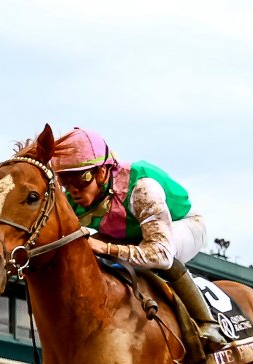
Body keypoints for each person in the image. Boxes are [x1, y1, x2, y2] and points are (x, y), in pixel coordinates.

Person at [50, 127, 226, 346]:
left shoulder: (142, 189)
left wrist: (105, 248)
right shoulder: (73, 199)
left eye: (81, 178)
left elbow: (160, 254)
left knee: (164, 262)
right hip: (131, 233)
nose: (73, 189)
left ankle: (206, 323)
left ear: (102, 172)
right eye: (65, 180)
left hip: (182, 226)